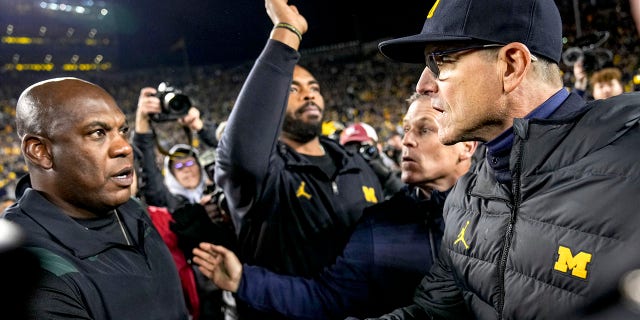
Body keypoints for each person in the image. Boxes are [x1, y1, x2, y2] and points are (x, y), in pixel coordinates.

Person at [368, 0, 640, 318]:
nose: (422, 85)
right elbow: (436, 313)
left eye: (439, 61)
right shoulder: (466, 193)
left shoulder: (629, 154)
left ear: (510, 65)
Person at [193, 93, 477, 319]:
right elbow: (326, 297)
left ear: (467, 145)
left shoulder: (509, 207)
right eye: (405, 129)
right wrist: (244, 280)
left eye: (424, 129)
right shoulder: (380, 224)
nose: (406, 140)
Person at [213, 0, 384, 318]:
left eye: (314, 87)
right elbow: (243, 152)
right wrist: (287, 31)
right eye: (293, 88)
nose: (309, 94)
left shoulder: (356, 164)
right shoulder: (265, 174)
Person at [2, 77, 188, 319]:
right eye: (98, 133)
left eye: (123, 130)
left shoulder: (131, 208)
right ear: (41, 151)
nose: (124, 147)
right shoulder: (29, 268)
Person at [133, 87, 235, 320]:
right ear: (170, 174)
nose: (187, 170)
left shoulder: (221, 192)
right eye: (178, 166)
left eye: (191, 163)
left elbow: (234, 157)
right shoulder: (167, 203)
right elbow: (148, 171)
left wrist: (199, 126)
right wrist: (142, 123)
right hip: (194, 298)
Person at [340, 122, 404, 199]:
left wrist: (387, 178)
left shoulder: (390, 170)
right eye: (350, 149)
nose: (356, 156)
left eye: (365, 148)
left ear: (378, 148)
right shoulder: (341, 181)